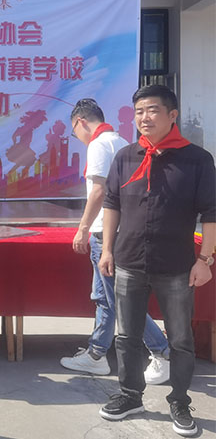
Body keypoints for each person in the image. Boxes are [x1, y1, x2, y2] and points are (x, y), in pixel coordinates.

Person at [97, 85, 215, 437]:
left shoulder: (197, 160)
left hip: (177, 265)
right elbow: (111, 204)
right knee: (127, 337)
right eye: (138, 112)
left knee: (179, 339)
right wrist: (107, 249)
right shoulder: (126, 156)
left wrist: (205, 259)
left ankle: (179, 401)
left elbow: (211, 213)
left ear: (172, 115)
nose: (144, 118)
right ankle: (130, 395)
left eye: (152, 110)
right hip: (129, 261)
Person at [61, 99, 170, 382]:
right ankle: (97, 354)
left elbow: (98, 191)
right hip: (123, 230)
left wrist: (82, 228)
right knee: (106, 299)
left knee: (123, 302)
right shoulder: (121, 142)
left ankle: (163, 351)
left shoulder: (98, 145)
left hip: (105, 234)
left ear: (80, 122)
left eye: (74, 132)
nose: (77, 137)